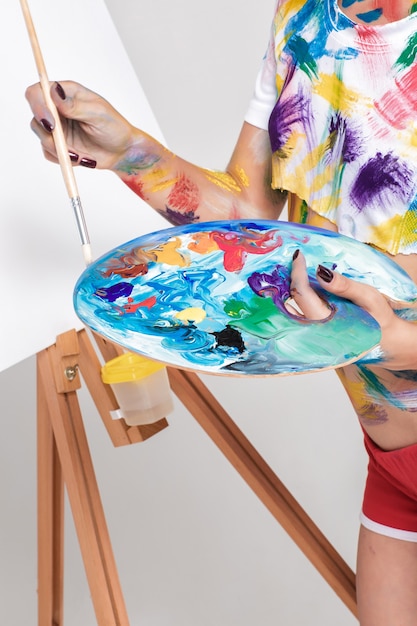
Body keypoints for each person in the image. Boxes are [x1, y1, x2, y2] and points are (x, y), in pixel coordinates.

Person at [25, 1, 417, 623]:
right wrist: (129, 151)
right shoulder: (307, 21)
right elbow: (249, 232)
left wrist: (395, 340)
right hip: (396, 467)